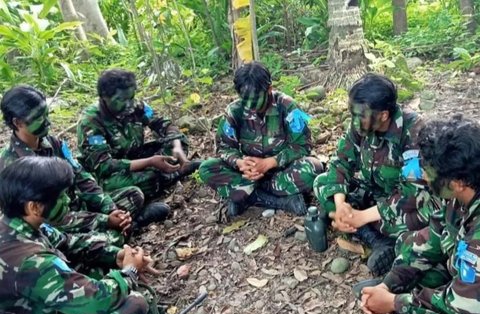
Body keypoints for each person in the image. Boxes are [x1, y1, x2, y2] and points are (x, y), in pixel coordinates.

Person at [0, 156, 154, 314]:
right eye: (61, 196)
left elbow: (69, 242)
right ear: (34, 207)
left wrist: (115, 255)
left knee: (99, 271)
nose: (67, 201)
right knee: (135, 302)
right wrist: (129, 272)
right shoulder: (30, 260)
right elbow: (101, 298)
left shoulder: (16, 224)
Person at [360, 116, 480, 314]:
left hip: (470, 299)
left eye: (428, 171)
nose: (423, 176)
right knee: (408, 248)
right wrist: (389, 285)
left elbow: (462, 299)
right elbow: (430, 241)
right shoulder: (456, 197)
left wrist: (395, 302)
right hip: (467, 282)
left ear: (457, 182)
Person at [0, 86, 169, 242]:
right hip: (56, 226)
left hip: (79, 206)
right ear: (18, 122)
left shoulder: (53, 143)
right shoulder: (13, 167)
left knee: (134, 195)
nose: (47, 122)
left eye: (47, 115)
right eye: (39, 117)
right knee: (102, 242)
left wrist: (110, 209)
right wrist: (104, 220)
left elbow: (81, 177)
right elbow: (48, 219)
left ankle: (121, 228)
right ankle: (126, 229)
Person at [313, 73, 430, 276]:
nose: (355, 121)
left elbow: (413, 192)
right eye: (352, 113)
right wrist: (342, 206)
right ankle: (374, 238)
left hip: (399, 203)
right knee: (322, 182)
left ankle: (369, 232)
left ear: (383, 115)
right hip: (372, 194)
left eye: (360, 115)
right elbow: (340, 162)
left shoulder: (414, 131)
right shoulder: (361, 124)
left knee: (420, 220)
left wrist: (362, 216)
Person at [199, 61, 324, 219]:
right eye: (245, 99)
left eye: (256, 98)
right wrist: (240, 163)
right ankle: (279, 201)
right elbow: (224, 148)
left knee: (313, 167)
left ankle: (248, 197)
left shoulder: (287, 106)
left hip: (281, 172)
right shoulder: (234, 111)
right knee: (206, 168)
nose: (251, 105)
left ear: (269, 89)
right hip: (248, 174)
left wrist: (269, 163)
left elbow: (302, 146)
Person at [76, 68, 201, 202]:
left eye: (131, 98)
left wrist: (177, 147)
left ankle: (174, 170)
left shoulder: (136, 106)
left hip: (136, 157)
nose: (129, 104)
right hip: (110, 175)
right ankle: (172, 174)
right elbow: (105, 166)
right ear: (104, 97)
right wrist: (150, 162)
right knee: (145, 180)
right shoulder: (91, 122)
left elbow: (163, 124)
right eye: (121, 100)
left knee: (179, 139)